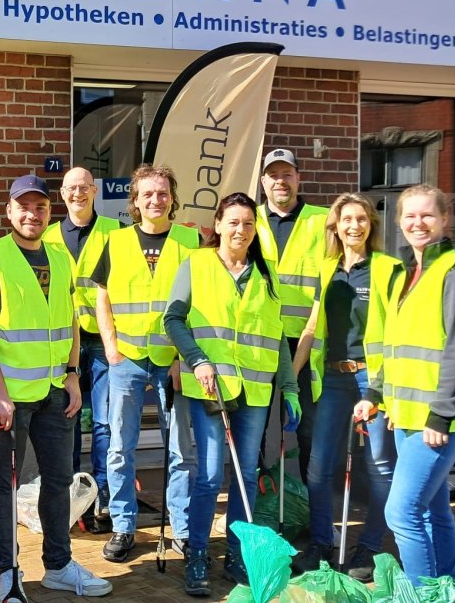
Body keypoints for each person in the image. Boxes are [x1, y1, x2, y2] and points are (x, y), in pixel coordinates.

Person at [0, 174, 112, 601]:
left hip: (53, 392)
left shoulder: (60, 256)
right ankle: (8, 574)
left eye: (40, 207)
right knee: (4, 483)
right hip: (7, 397)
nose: (32, 214)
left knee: (59, 480)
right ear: (9, 211)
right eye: (23, 206)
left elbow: (69, 318)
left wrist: (72, 373)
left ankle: (59, 565)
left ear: (49, 213)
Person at [163, 192, 301, 593]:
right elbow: (172, 319)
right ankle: (198, 555)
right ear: (218, 224)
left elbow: (278, 338)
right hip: (209, 387)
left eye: (247, 223)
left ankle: (238, 556)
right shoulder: (196, 265)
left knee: (245, 474)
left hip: (255, 392)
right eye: (233, 222)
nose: (240, 230)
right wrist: (197, 360)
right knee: (207, 476)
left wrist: (289, 388)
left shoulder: (267, 273)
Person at [354, 184, 455, 586]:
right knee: (432, 510)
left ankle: (422, 594)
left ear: (445, 219)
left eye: (427, 215)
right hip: (407, 417)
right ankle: (444, 588)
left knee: (403, 512)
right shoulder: (403, 276)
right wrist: (376, 396)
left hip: (435, 423)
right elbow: (394, 349)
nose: (418, 223)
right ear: (398, 222)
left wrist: (440, 417)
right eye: (409, 216)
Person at [91, 163, 198, 563]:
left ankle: (182, 530)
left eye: (163, 193)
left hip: (172, 362)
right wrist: (112, 348)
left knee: (180, 451)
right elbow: (102, 297)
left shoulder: (189, 241)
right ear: (134, 201)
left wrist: (184, 358)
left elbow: (198, 304)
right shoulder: (116, 243)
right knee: (120, 448)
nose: (156, 200)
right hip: (128, 361)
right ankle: (123, 525)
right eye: (147, 194)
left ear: (172, 197)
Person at [291, 193, 399, 581]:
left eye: (361, 219)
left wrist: (382, 389)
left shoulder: (388, 268)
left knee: (378, 467)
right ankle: (320, 541)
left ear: (371, 224)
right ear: (334, 226)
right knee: (319, 467)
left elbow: (399, 331)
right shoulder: (326, 268)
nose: (354, 226)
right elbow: (310, 327)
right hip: (334, 379)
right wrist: (291, 376)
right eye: (346, 219)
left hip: (373, 376)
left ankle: (369, 548)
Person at [41, 166, 123, 533]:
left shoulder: (116, 233)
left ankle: (101, 498)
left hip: (103, 340)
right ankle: (74, 497)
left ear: (94, 191)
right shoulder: (46, 237)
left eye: (84, 187)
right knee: (68, 419)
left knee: (106, 422)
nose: (78, 194)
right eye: (71, 188)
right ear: (62, 193)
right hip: (63, 345)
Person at [256, 148, 329, 481]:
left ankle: (314, 510)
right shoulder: (249, 220)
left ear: (298, 178)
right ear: (262, 181)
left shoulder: (324, 220)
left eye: (287, 174)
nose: (280, 181)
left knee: (309, 428)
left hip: (306, 344)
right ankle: (258, 505)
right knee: (254, 428)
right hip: (257, 340)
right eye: (273, 175)